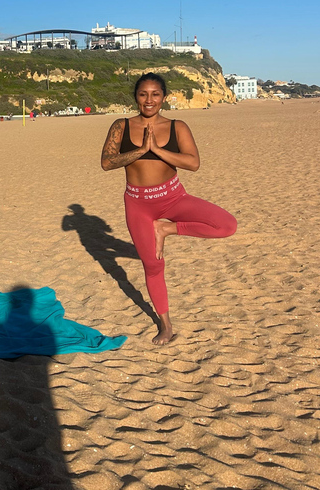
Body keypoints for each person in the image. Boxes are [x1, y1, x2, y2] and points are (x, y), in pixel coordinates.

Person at [100, 72, 236, 345]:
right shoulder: (121, 126)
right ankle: (166, 325)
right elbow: (106, 162)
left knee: (226, 225)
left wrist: (157, 150)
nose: (149, 100)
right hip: (138, 203)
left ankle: (165, 229)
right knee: (153, 265)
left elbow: (193, 163)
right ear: (135, 97)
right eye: (143, 94)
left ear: (164, 97)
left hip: (173, 197)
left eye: (155, 94)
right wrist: (141, 150)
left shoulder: (178, 126)